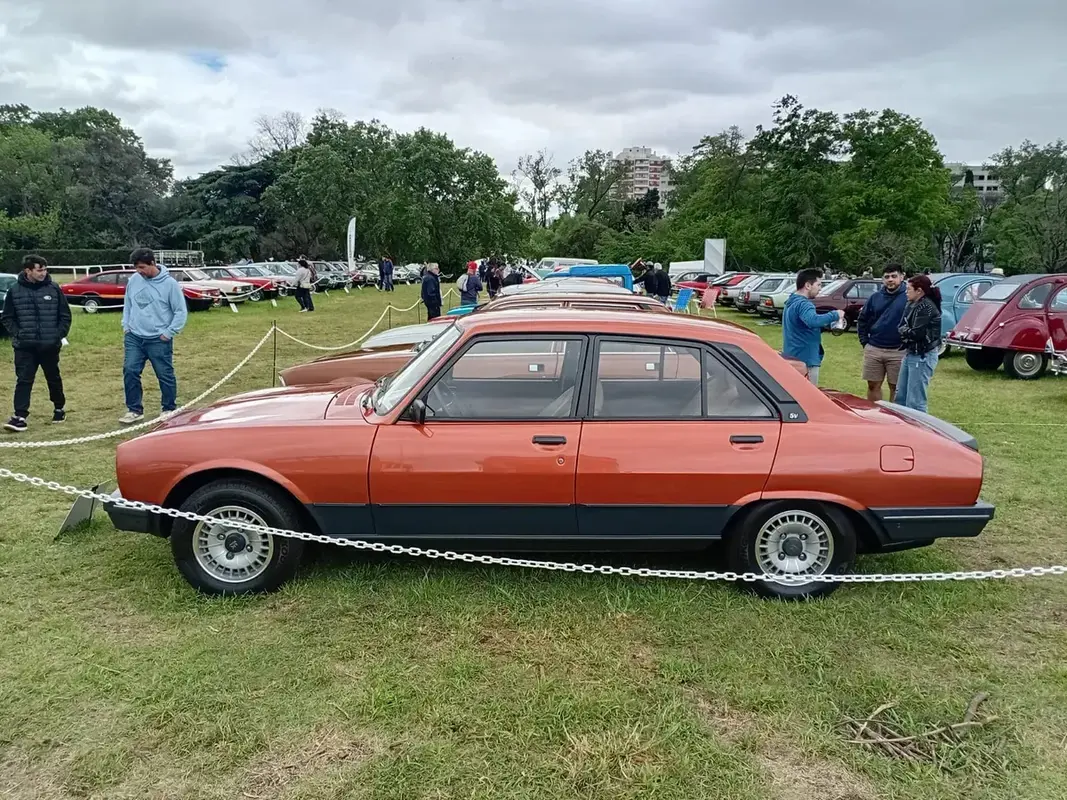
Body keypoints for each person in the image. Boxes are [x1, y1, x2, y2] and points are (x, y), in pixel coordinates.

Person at [2, 255, 71, 432]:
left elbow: (65, 316)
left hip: (49, 345)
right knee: (24, 380)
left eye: (45, 269)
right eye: (39, 270)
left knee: (53, 377)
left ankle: (59, 407)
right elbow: (7, 317)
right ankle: (19, 416)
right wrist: (18, 334)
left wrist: (57, 336)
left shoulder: (54, 289)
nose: (43, 273)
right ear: (28, 271)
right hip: (25, 347)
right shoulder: (15, 291)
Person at [120, 248, 188, 424]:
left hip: (159, 338)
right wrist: (126, 325)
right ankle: (134, 410)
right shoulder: (134, 280)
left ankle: (169, 408)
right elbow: (128, 303)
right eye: (136, 268)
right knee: (130, 370)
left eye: (142, 267)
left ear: (153, 263)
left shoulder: (170, 284)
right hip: (134, 336)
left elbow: (180, 311)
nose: (139, 271)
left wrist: (168, 333)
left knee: (164, 373)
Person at [781, 269, 844, 385]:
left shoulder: (791, 301)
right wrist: (835, 314)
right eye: (819, 285)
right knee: (807, 398)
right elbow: (812, 321)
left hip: (791, 357)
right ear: (808, 285)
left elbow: (802, 325)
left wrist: (824, 327)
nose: (820, 288)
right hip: (805, 361)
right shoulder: (804, 304)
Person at [857, 264, 908, 402]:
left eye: (894, 276)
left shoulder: (909, 297)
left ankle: (893, 420)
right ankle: (874, 418)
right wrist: (864, 342)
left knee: (896, 387)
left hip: (899, 350)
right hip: (874, 348)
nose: (890, 280)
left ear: (902, 277)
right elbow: (862, 320)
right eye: (887, 277)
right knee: (873, 385)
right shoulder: (875, 298)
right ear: (882, 280)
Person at [896, 275, 943, 413]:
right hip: (911, 353)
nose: (906, 292)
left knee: (915, 401)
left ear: (919, 291)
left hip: (922, 355)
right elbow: (901, 326)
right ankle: (902, 428)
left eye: (909, 289)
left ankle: (919, 431)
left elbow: (917, 333)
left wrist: (904, 331)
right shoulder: (911, 304)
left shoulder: (926, 307)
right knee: (901, 396)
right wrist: (905, 330)